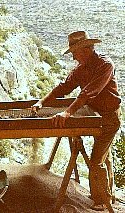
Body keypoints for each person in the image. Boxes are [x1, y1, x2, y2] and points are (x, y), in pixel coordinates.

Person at [31, 31, 121, 211]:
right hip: (97, 113)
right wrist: (41, 102)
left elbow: (88, 92)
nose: (73, 57)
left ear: (86, 49)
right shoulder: (81, 69)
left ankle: (103, 201)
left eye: (74, 52)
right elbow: (63, 87)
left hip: (110, 116)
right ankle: (106, 193)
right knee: (105, 157)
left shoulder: (105, 65)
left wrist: (67, 113)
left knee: (96, 161)